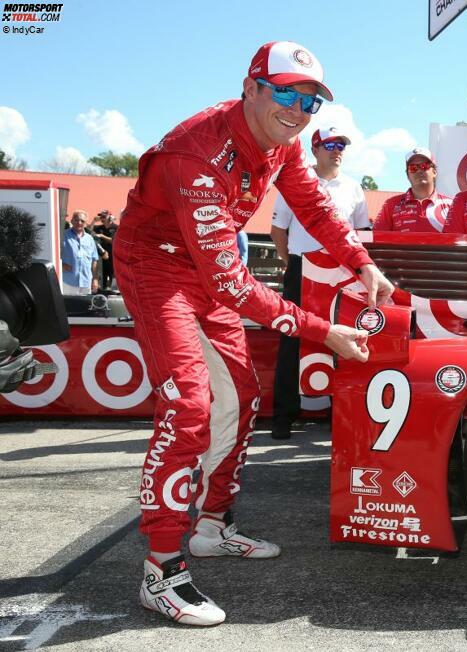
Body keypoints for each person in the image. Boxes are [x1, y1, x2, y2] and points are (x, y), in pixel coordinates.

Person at [114, 41, 393, 626]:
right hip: (156, 268)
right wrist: (325, 332)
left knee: (241, 398)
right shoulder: (194, 152)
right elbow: (236, 287)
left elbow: (315, 210)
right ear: (251, 87)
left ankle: (213, 528)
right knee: (188, 405)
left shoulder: (284, 142)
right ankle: (160, 569)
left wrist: (362, 263)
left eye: (309, 100)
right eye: (285, 91)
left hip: (206, 274)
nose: (296, 108)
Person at [269, 126, 369, 440]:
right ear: (315, 149)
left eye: (341, 145)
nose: (337, 150)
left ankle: (342, 413)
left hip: (342, 271)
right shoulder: (297, 181)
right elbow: (277, 231)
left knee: (346, 341)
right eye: (329, 144)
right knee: (292, 339)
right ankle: (283, 416)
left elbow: (362, 232)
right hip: (302, 267)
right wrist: (290, 262)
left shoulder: (353, 187)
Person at [373, 147, 452, 232]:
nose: (419, 171)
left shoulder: (452, 205)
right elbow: (375, 239)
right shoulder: (391, 205)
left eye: (424, 166)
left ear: (435, 172)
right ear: (407, 175)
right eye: (413, 168)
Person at [61, 210, 99, 295]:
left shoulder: (90, 239)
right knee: (69, 307)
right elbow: (54, 254)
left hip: (86, 282)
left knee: (85, 307)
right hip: (68, 281)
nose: (79, 222)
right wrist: (60, 265)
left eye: (82, 221)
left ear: (86, 223)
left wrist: (95, 279)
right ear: (71, 221)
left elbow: (94, 260)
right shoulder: (63, 236)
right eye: (76, 220)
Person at [93, 210, 118, 290]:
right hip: (101, 255)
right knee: (102, 273)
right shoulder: (99, 227)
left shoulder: (116, 227)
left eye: (104, 217)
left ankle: (111, 289)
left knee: (112, 273)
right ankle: (103, 289)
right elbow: (88, 231)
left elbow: (114, 240)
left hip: (113, 255)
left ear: (110, 217)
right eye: (101, 217)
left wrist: (102, 236)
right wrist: (93, 221)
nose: (102, 219)